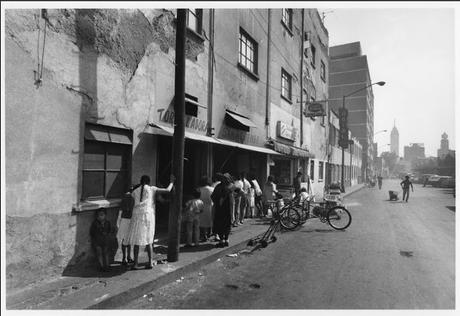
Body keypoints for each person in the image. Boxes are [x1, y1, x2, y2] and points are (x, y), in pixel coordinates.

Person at [126, 174, 174, 270]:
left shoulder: (135, 191)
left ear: (141, 181)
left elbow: (130, 198)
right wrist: (172, 182)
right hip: (148, 215)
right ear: (149, 182)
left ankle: (135, 264)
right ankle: (150, 262)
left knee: (136, 240)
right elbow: (168, 190)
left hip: (136, 215)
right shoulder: (152, 188)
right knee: (149, 239)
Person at [211, 173, 235, 248]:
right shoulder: (232, 186)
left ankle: (222, 240)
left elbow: (212, 197)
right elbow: (241, 193)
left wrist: (218, 201)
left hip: (220, 209)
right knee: (227, 224)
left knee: (221, 224)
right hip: (228, 209)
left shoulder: (218, 187)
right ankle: (226, 240)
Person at [116, 186, 138, 266]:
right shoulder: (130, 197)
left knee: (126, 239)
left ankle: (126, 257)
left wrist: (118, 221)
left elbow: (120, 211)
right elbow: (121, 210)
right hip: (128, 220)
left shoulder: (127, 197)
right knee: (127, 239)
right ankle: (126, 257)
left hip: (126, 219)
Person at [198, 177, 214, 242]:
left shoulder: (199, 189)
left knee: (202, 222)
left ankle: (204, 235)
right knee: (210, 220)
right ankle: (209, 233)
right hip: (211, 206)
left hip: (201, 206)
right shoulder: (212, 189)